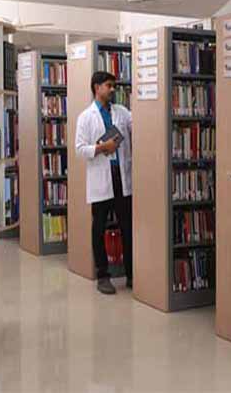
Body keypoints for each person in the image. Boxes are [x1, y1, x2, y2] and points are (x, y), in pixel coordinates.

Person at [75, 71, 133, 295]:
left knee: (127, 227)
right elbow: (80, 149)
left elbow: (137, 124)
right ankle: (103, 276)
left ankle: (131, 274)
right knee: (98, 228)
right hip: (101, 178)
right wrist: (101, 148)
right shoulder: (85, 117)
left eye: (113, 85)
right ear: (97, 87)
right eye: (109, 85)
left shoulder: (122, 112)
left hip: (122, 177)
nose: (112, 89)